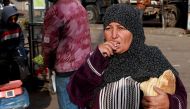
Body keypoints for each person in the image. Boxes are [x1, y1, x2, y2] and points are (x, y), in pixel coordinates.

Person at [67, 4, 187, 109]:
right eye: (108, 28)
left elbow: (180, 96)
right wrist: (97, 59)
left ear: (134, 32)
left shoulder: (151, 56)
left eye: (121, 28)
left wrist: (168, 103)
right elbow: (76, 94)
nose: (114, 35)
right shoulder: (97, 58)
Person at [42, 0, 92, 109]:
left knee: (69, 104)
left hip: (66, 69)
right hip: (84, 65)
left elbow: (49, 44)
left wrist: (47, 63)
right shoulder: (79, 6)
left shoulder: (55, 11)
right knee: (82, 103)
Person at [0, 6, 29, 109]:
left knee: (16, 76)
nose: (13, 20)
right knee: (3, 79)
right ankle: (4, 101)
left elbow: (21, 39)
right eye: (10, 18)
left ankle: (16, 99)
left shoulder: (17, 27)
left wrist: (20, 49)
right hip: (3, 58)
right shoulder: (1, 29)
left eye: (15, 18)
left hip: (14, 56)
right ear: (5, 17)